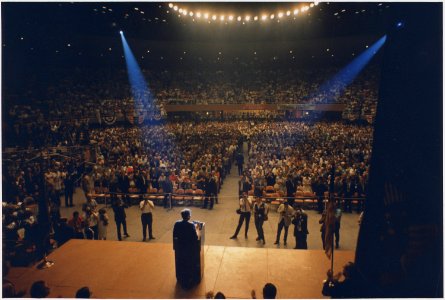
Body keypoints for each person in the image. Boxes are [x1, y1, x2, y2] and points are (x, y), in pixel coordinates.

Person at [173, 209, 201, 289]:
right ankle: (189, 281)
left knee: (182, 263)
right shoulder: (191, 225)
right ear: (188, 216)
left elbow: (175, 234)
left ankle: (181, 279)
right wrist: (197, 229)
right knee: (189, 264)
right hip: (189, 249)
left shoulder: (177, 224)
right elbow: (195, 237)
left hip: (180, 248)